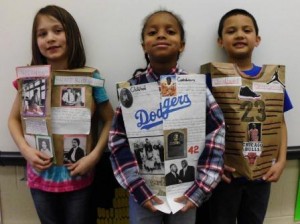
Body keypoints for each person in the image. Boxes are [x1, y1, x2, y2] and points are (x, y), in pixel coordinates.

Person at [108, 10, 225, 224]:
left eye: (170, 31)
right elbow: (117, 140)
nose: (161, 35)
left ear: (182, 45)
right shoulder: (132, 90)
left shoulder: (196, 88)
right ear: (144, 45)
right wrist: (137, 188)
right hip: (144, 193)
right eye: (153, 32)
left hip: (187, 192)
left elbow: (216, 134)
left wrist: (200, 189)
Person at [8, 5, 114, 224]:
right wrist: (26, 151)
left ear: (72, 34)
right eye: (42, 34)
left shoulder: (91, 78)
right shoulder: (29, 78)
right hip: (40, 178)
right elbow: (13, 119)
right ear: (36, 41)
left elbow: (110, 118)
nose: (50, 38)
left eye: (58, 30)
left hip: (78, 177)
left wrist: (94, 157)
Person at [197, 9, 293, 224]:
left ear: (257, 40)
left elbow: (280, 122)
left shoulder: (272, 79)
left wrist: (282, 160)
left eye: (246, 30)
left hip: (262, 173)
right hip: (224, 174)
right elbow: (199, 124)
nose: (240, 35)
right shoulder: (210, 78)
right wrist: (211, 163)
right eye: (232, 31)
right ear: (220, 41)